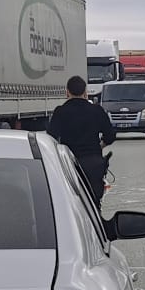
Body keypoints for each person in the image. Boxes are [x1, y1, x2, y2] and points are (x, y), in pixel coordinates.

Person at [45, 75, 115, 208]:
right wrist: (100, 146)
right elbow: (110, 136)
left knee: (71, 203)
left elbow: (51, 139)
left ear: (67, 92)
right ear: (85, 92)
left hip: (69, 164)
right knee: (94, 205)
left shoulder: (61, 112)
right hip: (93, 164)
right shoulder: (96, 111)